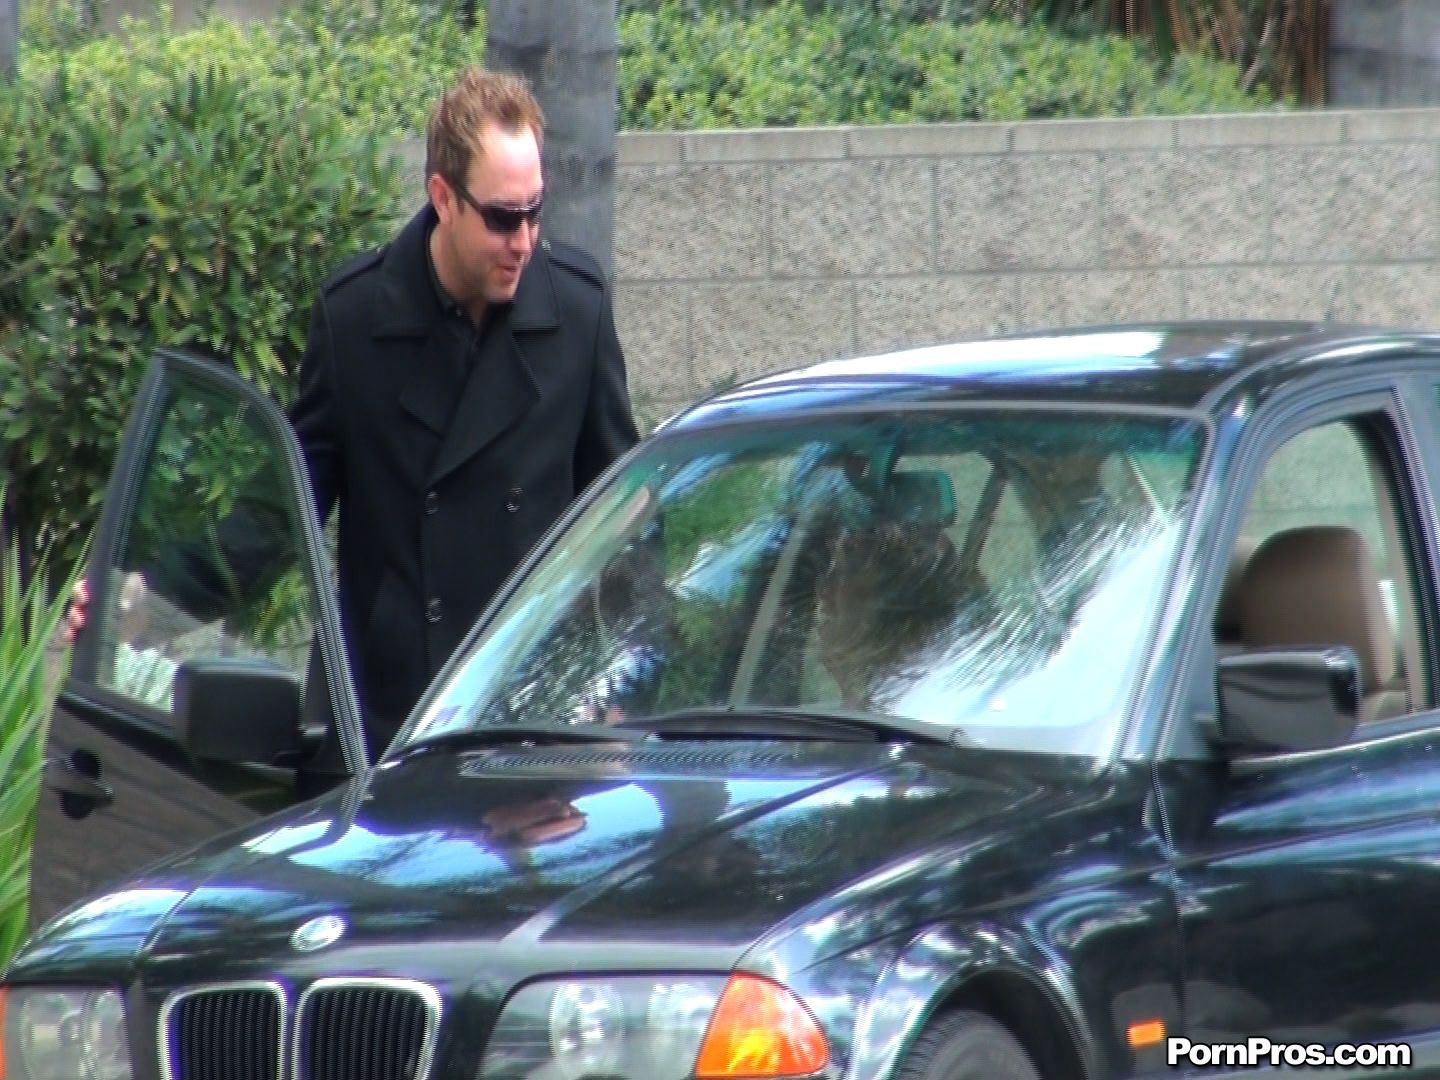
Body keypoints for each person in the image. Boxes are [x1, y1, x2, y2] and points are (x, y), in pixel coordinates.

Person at [72, 68, 640, 783]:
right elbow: (282, 515)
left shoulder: (577, 313)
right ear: (443, 198)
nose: (523, 241)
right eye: (502, 218)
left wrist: (633, 686)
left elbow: (627, 518)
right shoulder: (356, 318)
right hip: (387, 730)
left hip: (528, 729)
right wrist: (147, 596)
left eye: (535, 213)